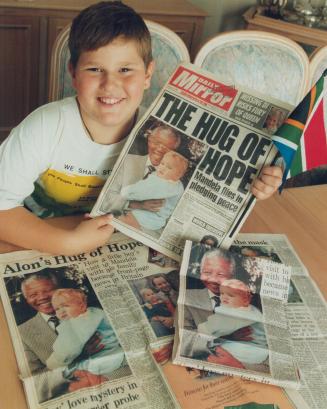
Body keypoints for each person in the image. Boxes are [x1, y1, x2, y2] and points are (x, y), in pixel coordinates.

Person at [0, 0, 283, 256]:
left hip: (119, 243)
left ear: (148, 74)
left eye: (125, 70)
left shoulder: (160, 132)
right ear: (73, 72)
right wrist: (67, 244)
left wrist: (255, 182)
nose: (110, 85)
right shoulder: (45, 127)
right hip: (44, 236)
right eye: (95, 69)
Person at [19, 272, 108, 402]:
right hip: (69, 397)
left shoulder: (90, 314)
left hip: (110, 383)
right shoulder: (22, 333)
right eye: (33, 295)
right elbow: (35, 384)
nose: (42, 297)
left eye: (48, 291)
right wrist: (77, 357)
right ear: (27, 300)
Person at [46, 288, 126, 377]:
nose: (61, 311)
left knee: (70, 372)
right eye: (57, 309)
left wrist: (54, 361)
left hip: (105, 357)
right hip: (104, 356)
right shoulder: (87, 315)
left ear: (82, 306)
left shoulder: (85, 319)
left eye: (65, 306)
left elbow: (70, 348)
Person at [198, 279, 268, 368]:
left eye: (231, 295)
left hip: (246, 351)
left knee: (216, 350)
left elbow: (213, 328)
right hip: (259, 352)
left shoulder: (236, 314)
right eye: (222, 294)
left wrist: (203, 328)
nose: (224, 297)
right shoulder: (253, 310)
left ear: (245, 300)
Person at [118, 151, 188, 232]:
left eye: (169, 167)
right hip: (154, 216)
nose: (162, 168)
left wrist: (125, 192)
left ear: (178, 175)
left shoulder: (165, 185)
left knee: (124, 215)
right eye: (162, 163)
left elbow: (141, 193)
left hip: (154, 218)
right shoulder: (174, 183)